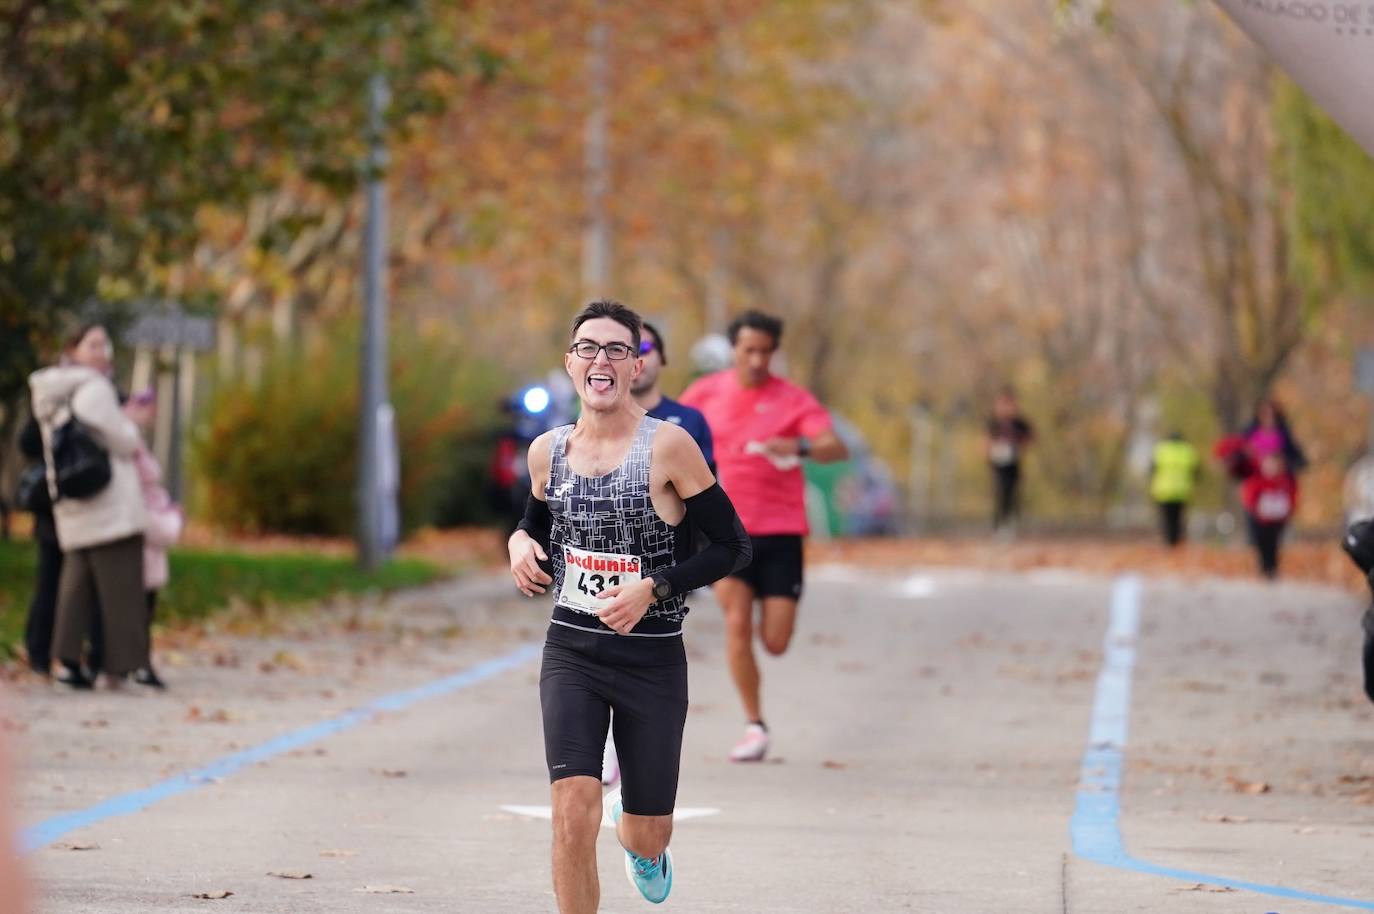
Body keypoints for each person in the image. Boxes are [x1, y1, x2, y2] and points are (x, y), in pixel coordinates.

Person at [507, 300, 750, 911]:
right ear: (570, 363)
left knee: (648, 830)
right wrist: (518, 542)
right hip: (572, 653)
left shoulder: (669, 446)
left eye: (617, 349)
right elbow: (534, 522)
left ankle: (640, 842)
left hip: (652, 660)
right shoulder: (547, 452)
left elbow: (733, 547)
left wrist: (654, 587)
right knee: (571, 811)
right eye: (588, 348)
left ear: (636, 366)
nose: (602, 359)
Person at [679, 309, 848, 762]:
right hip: (726, 533)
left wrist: (800, 446)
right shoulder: (704, 394)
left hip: (781, 533)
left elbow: (835, 446)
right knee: (736, 621)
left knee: (775, 641)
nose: (756, 360)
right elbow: (667, 435)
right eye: (748, 350)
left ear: (774, 353)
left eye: (765, 352)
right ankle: (755, 725)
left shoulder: (793, 400)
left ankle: (762, 619)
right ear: (733, 349)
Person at [588, 319, 718, 788]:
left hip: (665, 565)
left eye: (641, 347)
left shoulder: (685, 425)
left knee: (643, 648)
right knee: (599, 640)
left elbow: (707, 498)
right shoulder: (582, 424)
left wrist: (687, 566)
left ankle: (636, 749)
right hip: (603, 563)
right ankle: (605, 745)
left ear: (655, 360)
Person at [29, 323, 149, 690]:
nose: (102, 351)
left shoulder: (51, 390)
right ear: (74, 350)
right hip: (108, 503)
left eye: (105, 344)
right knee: (121, 588)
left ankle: (65, 662)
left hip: (74, 501)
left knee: (74, 589)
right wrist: (133, 425)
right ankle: (120, 667)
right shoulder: (93, 388)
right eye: (93, 344)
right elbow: (123, 440)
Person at [129, 389, 182, 689]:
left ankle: (138, 662)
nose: (152, 413)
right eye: (146, 406)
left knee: (144, 603)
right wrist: (170, 522)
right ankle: (136, 664)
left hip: (150, 527)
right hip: (146, 527)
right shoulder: (128, 442)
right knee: (138, 605)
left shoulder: (134, 440)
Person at [17, 413, 62, 678]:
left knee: (50, 581)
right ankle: (40, 650)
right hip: (57, 504)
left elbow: (27, 443)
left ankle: (41, 650)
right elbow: (27, 442)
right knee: (50, 582)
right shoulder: (52, 405)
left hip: (56, 507)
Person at [1240, 452, 1297, 579]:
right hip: (1259, 518)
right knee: (1261, 543)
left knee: (1274, 543)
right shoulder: (1257, 479)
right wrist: (1254, 510)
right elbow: (1249, 497)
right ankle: (1263, 567)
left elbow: (1290, 497)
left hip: (1276, 519)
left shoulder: (1284, 481)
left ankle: (1272, 568)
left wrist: (1289, 510)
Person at [985, 388, 1034, 531]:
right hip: (998, 463)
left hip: (1013, 463)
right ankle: (998, 524)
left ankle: (1011, 522)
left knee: (1013, 492)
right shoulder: (994, 423)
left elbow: (1030, 438)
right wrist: (993, 451)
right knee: (1000, 492)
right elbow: (985, 442)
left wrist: (1019, 448)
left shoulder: (1019, 423)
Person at [1149, 431, 1200, 547]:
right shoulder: (1187, 451)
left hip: (1164, 491)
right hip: (1182, 491)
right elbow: (1196, 471)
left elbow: (1152, 469)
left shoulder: (1162, 450)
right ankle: (1176, 541)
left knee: (1166, 518)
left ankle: (1168, 541)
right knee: (1178, 517)